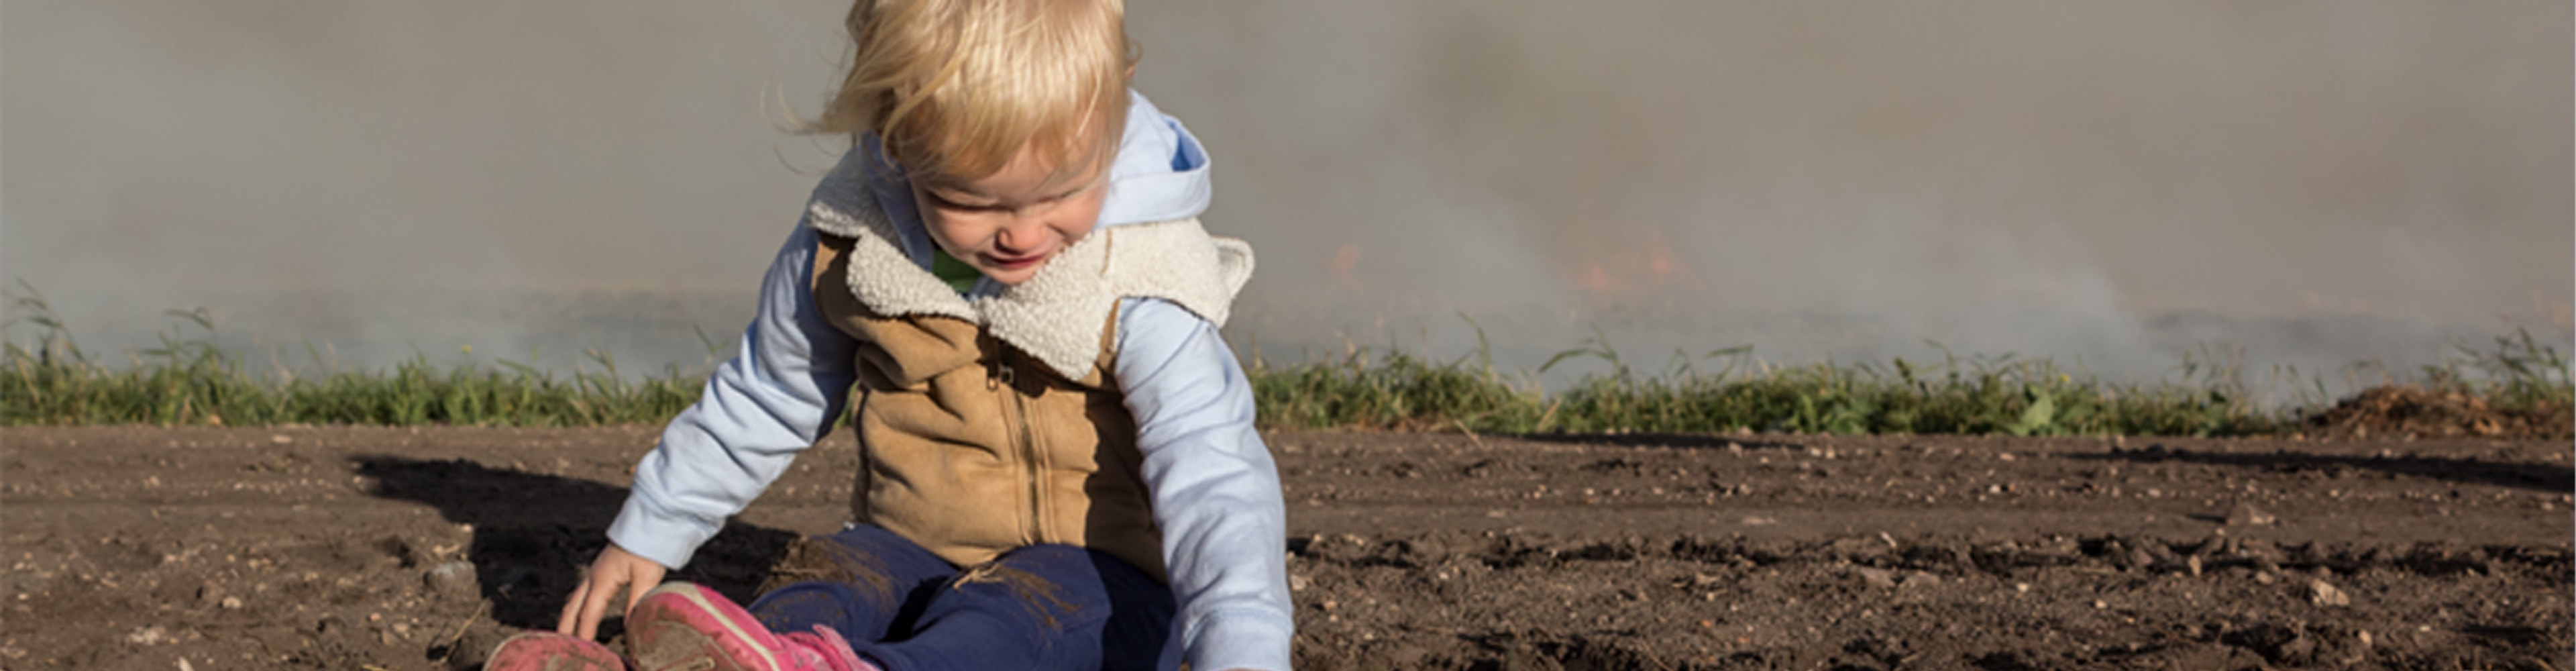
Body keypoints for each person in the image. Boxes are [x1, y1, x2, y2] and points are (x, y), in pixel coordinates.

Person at [483, 1, 1291, 670]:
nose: (1022, 233)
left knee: (1010, 621)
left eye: (1065, 191)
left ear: (1114, 109)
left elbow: (1213, 476)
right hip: (909, 545)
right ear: (897, 143)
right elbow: (770, 391)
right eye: (973, 202)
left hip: (1099, 581)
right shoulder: (851, 242)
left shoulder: (1142, 273)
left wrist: (1244, 648)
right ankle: (758, 656)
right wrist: (650, 529)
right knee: (822, 581)